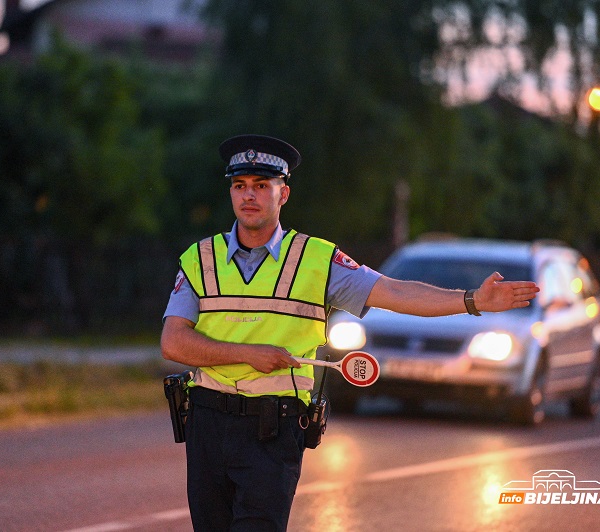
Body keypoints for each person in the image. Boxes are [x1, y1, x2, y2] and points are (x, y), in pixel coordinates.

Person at [161, 134, 539, 531]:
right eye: (240, 186)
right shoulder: (199, 259)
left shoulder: (317, 259)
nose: (248, 196)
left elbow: (392, 291)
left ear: (283, 194)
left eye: (261, 186)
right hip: (207, 422)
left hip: (272, 428)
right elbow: (173, 341)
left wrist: (472, 300)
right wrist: (247, 353)